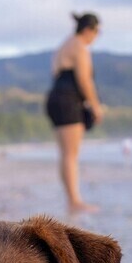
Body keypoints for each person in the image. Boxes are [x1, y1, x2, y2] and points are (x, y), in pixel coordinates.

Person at [45, 12, 104, 214]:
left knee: (65, 154)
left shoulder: (63, 45)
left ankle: (71, 199)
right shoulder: (80, 46)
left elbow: (56, 73)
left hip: (54, 98)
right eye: (97, 32)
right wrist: (95, 105)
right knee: (71, 155)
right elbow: (84, 79)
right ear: (89, 30)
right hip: (69, 101)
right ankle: (75, 201)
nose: (96, 37)